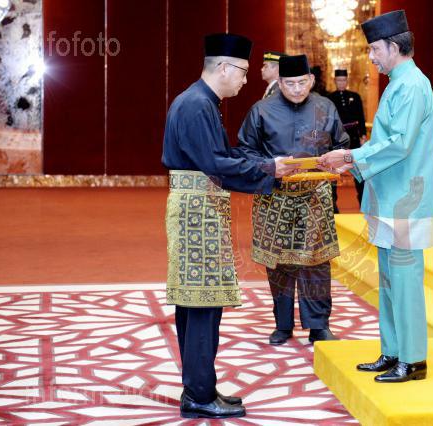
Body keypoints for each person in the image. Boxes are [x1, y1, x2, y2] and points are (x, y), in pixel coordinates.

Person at [162, 33, 298, 419]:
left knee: (200, 304)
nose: (245, 80)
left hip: (200, 210)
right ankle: (199, 394)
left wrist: (267, 164)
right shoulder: (196, 105)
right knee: (201, 305)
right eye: (242, 72)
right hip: (197, 214)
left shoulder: (201, 102)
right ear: (223, 68)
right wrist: (269, 169)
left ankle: (200, 387)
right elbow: (216, 164)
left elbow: (221, 155)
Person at [319, 9, 433, 383]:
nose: (371, 56)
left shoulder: (412, 85)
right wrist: (352, 162)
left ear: (393, 46)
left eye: (374, 49)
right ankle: (393, 351)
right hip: (390, 196)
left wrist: (351, 157)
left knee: (404, 281)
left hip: (407, 199)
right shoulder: (397, 83)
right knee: (389, 280)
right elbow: (386, 142)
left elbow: (400, 144)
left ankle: (413, 359)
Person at [237, 54, 350, 346]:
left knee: (317, 262)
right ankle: (283, 324)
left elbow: (342, 144)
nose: (297, 89)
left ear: (311, 80)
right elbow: (245, 151)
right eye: (290, 84)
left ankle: (319, 325)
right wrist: (271, 165)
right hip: (275, 195)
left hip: (315, 194)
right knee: (279, 263)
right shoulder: (261, 110)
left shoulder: (326, 107)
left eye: (302, 82)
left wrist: (337, 161)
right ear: (280, 82)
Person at [327, 69, 367, 205]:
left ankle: (363, 202)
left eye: (344, 80)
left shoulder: (355, 96)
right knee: (333, 174)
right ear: (335, 81)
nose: (341, 83)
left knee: (360, 173)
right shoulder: (329, 98)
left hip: (354, 140)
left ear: (347, 81)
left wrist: (363, 135)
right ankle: (333, 206)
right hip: (336, 141)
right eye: (339, 80)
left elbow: (361, 117)